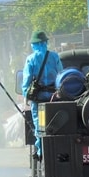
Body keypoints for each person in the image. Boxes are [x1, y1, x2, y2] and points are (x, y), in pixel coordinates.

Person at [22, 30, 63, 159]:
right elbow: (61, 75)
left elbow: (27, 80)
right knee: (57, 125)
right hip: (53, 99)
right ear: (45, 42)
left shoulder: (31, 59)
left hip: (38, 100)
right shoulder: (54, 57)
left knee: (40, 125)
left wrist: (26, 96)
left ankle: (41, 152)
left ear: (34, 44)